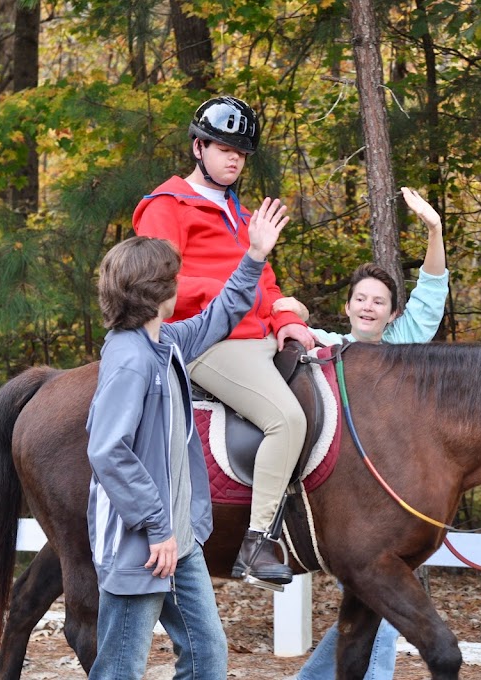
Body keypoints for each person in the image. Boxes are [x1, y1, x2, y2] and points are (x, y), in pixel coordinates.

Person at [86, 198, 290, 679]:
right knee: (120, 669)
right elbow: (107, 449)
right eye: (174, 279)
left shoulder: (166, 343)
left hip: (181, 539)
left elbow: (221, 315)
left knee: (207, 658)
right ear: (157, 291)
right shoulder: (130, 359)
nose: (180, 286)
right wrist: (157, 527)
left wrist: (255, 257)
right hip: (146, 544)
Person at [133, 95, 316, 586]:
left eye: (241, 152)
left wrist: (285, 321)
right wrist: (237, 292)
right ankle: (258, 543)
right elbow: (160, 286)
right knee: (286, 418)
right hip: (204, 342)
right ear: (199, 147)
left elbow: (268, 284)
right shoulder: (165, 207)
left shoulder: (244, 213)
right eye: (223, 147)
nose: (233, 158)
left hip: (259, 338)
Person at [294, 186, 447, 680]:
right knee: (374, 599)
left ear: (390, 313)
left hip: (388, 499)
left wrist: (434, 230)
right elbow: (290, 333)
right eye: (361, 298)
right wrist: (288, 311)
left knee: (372, 601)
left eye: (378, 301)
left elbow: (431, 294)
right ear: (348, 306)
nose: (368, 307)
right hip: (345, 496)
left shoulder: (401, 346)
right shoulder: (330, 348)